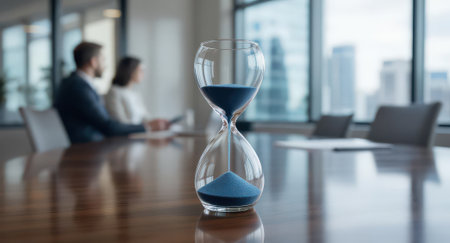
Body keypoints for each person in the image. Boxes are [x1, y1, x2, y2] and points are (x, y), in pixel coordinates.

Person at [55, 42, 170, 144]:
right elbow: (107, 126)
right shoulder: (78, 87)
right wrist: (147, 127)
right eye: (103, 60)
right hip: (84, 150)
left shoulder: (79, 84)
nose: (105, 65)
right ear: (93, 62)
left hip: (92, 146)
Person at [104, 57, 151, 124]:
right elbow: (120, 121)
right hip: (128, 133)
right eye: (141, 70)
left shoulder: (135, 93)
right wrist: (144, 127)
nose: (143, 73)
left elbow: (145, 117)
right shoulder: (114, 92)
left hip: (141, 132)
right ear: (131, 71)